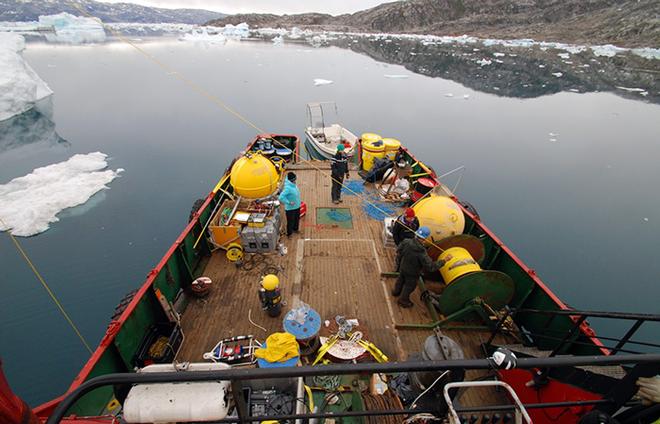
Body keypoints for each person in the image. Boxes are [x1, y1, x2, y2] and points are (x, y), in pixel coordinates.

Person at [393, 226, 452, 308]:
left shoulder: (406, 241)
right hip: (412, 273)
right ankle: (403, 300)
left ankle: (396, 291)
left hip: (403, 267)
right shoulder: (422, 253)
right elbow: (431, 267)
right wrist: (444, 260)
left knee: (400, 279)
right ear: (425, 238)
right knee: (409, 286)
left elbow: (399, 250)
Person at [279, 172, 301, 236]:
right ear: (291, 180)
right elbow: (281, 197)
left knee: (297, 219)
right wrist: (288, 202)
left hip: (297, 206)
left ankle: (295, 229)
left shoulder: (293, 184)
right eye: (294, 180)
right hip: (290, 208)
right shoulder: (288, 188)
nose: (295, 181)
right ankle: (289, 233)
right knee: (290, 221)